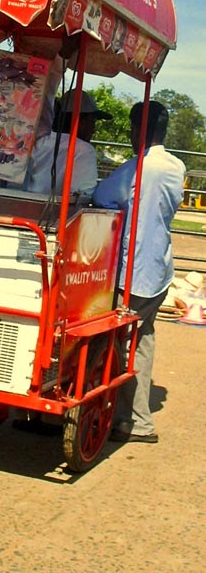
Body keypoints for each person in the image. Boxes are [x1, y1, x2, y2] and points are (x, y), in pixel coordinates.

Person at [93, 101, 185, 443]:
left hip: (133, 274)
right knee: (141, 339)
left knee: (116, 341)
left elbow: (101, 196)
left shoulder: (135, 169)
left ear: (137, 131)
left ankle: (115, 414)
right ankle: (138, 420)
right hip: (158, 269)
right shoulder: (177, 166)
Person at [22, 88, 112, 197]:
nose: (94, 130)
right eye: (92, 122)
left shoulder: (34, 141)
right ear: (80, 121)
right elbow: (83, 195)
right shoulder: (83, 150)